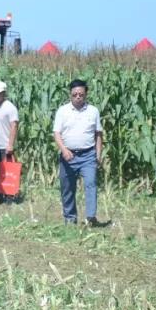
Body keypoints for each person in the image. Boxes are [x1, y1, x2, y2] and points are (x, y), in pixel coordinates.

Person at [53, 79, 105, 225]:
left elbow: (98, 134)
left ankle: (90, 217)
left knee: (91, 183)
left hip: (88, 155)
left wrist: (98, 154)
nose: (77, 97)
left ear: (86, 94)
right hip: (68, 155)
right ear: (70, 95)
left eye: (81, 94)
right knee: (67, 187)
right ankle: (70, 218)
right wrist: (63, 150)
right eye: (74, 94)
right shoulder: (62, 111)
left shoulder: (93, 111)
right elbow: (56, 133)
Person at [0, 81, 20, 203]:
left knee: (7, 172)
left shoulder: (10, 108)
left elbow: (14, 126)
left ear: (4, 93)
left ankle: (9, 196)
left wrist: (10, 144)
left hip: (5, 145)